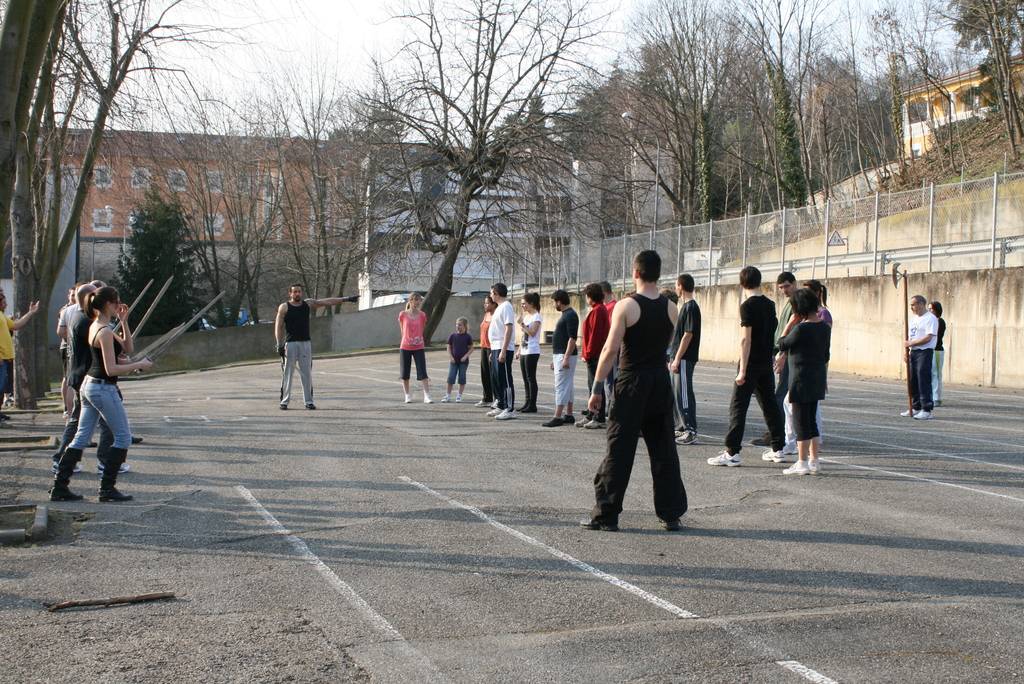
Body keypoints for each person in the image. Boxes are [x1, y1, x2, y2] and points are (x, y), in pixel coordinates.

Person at [582, 251, 687, 532]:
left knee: (619, 448)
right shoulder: (671, 308)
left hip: (632, 381)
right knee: (664, 447)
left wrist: (596, 387)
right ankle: (671, 513)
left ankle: (606, 514)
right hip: (659, 381)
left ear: (636, 273)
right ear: (658, 273)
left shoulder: (626, 306)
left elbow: (610, 349)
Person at [50, 286, 153, 502]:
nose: (119, 305)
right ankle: (107, 489)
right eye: (117, 302)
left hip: (90, 386)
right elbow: (111, 369)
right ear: (108, 304)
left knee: (81, 436)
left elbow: (127, 348)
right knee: (123, 437)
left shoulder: (101, 325)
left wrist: (124, 321)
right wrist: (138, 365)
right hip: (102, 388)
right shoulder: (104, 331)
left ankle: (59, 486)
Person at [708, 266, 786, 467]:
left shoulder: (747, 306)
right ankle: (778, 448)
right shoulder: (770, 305)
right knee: (769, 405)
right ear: (759, 281)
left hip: (750, 363)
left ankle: (732, 452)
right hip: (765, 363)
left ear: (742, 284)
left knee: (738, 407)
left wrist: (742, 369)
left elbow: (746, 340)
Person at [51, 283, 110, 475]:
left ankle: (63, 459)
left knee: (80, 421)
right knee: (98, 421)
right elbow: (98, 347)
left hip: (79, 373)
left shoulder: (76, 315)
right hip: (87, 375)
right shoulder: (86, 320)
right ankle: (103, 461)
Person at [777, 288, 831, 475]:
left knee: (801, 422)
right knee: (812, 421)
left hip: (800, 379)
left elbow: (781, 343)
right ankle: (814, 461)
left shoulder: (801, 328)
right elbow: (826, 355)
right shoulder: (825, 327)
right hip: (816, 378)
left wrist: (790, 323)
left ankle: (801, 462)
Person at [275, 284, 354, 410]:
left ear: (302, 293)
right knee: (288, 373)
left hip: (305, 343)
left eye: (299, 292)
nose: (297, 294)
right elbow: (278, 326)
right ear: (290, 293)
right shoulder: (284, 307)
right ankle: (284, 402)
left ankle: (308, 401)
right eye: (295, 292)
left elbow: (327, 301)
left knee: (306, 374)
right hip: (290, 344)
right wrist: (279, 344)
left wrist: (346, 299)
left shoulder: (308, 304)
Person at [754, 272, 796, 447]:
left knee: (780, 396)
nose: (784, 290)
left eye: (786, 286)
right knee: (780, 395)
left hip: (789, 355)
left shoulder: (797, 302)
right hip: (781, 351)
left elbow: (793, 329)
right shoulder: (789, 302)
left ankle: (777, 433)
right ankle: (780, 431)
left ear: (794, 283)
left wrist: (783, 354)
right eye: (781, 287)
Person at [669, 274, 701, 445]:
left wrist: (678, 358)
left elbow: (688, 335)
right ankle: (680, 427)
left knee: (684, 393)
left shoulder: (691, 307)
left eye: (676, 285)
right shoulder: (685, 306)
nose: (676, 288)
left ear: (681, 286)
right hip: (678, 357)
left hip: (685, 358)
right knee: (676, 392)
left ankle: (690, 429)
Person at [0, 289, 41, 421]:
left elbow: (16, 325)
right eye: (4, 302)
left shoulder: (2, 316)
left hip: (6, 358)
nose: (6, 304)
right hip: (1, 358)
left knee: (2, 388)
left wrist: (31, 312)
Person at [544, 289, 579, 428]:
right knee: (568, 385)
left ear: (559, 301)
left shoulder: (570, 315)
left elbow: (572, 338)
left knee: (560, 386)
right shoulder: (566, 314)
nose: (553, 305)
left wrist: (565, 358)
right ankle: (569, 414)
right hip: (561, 354)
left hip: (565, 355)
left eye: (554, 302)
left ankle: (557, 416)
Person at [578, 283, 610, 429]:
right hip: (593, 354)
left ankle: (598, 416)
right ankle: (592, 414)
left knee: (596, 387)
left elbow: (595, 336)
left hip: (595, 355)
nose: (586, 298)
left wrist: (588, 353)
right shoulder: (597, 310)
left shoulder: (598, 311)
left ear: (591, 296)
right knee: (591, 385)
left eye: (587, 295)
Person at [902, 294, 938, 420]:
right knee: (913, 380)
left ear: (921, 304)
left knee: (923, 380)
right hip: (914, 352)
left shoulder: (930, 318)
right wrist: (906, 351)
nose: (912, 307)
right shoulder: (913, 319)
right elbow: (908, 337)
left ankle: (926, 409)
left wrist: (912, 343)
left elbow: (929, 337)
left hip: (925, 352)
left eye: (913, 304)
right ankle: (915, 406)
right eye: (911, 305)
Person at [487, 283, 517, 420]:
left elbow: (508, 328)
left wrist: (503, 350)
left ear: (497, 293)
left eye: (492, 293)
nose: (491, 295)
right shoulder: (499, 308)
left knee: (505, 379)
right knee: (496, 378)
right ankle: (500, 403)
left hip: (503, 347)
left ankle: (509, 408)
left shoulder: (506, 307)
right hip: (495, 347)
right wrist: (493, 351)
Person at [398, 293, 433, 404]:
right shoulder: (402, 314)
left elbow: (422, 328)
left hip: (419, 346)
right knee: (404, 373)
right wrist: (407, 339)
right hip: (405, 347)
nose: (418, 302)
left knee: (423, 372)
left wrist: (417, 339)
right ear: (411, 300)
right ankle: (407, 395)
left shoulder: (422, 315)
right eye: (416, 300)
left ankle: (427, 396)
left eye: (419, 300)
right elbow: (402, 330)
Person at [515, 292, 542, 413]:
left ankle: (532, 404)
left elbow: (532, 333)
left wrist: (522, 324)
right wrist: (519, 350)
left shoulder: (536, 316)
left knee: (531, 378)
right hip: (525, 350)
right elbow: (523, 336)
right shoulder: (527, 317)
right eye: (521, 304)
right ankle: (527, 402)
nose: (522, 306)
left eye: (524, 304)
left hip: (532, 350)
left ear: (531, 304)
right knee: (525, 378)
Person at [56, 286, 78, 419]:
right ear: (68, 296)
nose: (74, 297)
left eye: (76, 295)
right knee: (67, 377)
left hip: (76, 347)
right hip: (67, 347)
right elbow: (61, 331)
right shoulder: (65, 310)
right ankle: (67, 408)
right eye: (72, 295)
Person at [444, 317, 473, 403]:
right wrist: (451, 357)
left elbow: (471, 348)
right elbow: (448, 347)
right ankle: (447, 396)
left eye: (460, 325)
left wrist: (465, 356)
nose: (458, 326)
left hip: (463, 362)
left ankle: (459, 396)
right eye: (456, 324)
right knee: (451, 378)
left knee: (462, 378)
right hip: (453, 361)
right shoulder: (453, 336)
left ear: (464, 326)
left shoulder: (468, 337)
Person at [476, 296, 496, 408]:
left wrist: (493, 351)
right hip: (483, 347)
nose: (485, 305)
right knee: (484, 373)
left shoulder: (495, 316)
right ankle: (487, 397)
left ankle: (496, 398)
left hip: (491, 347)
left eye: (487, 303)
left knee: (493, 374)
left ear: (493, 304)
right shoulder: (486, 315)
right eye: (485, 303)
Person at [929, 301, 945, 407]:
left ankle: (937, 398)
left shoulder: (940, 322)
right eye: (929, 308)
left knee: (936, 374)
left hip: (937, 351)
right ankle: (930, 396)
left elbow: (936, 337)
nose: (930, 311)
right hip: (929, 350)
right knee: (930, 374)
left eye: (932, 309)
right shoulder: (929, 321)